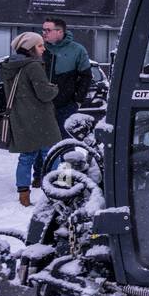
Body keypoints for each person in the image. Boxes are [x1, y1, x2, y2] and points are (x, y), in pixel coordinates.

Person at [0, 32, 62, 206]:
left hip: (20, 118)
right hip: (40, 119)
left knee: (26, 157)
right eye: (40, 45)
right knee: (52, 154)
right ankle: (54, 190)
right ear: (30, 48)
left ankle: (24, 195)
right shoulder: (33, 66)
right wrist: (54, 88)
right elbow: (44, 93)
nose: (43, 49)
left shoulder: (9, 66)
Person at [35, 16, 90, 183]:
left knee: (65, 142)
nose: (43, 33)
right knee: (39, 140)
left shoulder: (77, 50)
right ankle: (39, 175)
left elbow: (86, 77)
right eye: (43, 29)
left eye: (48, 30)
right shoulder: (38, 48)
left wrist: (78, 100)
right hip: (41, 104)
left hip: (66, 105)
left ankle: (64, 177)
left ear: (60, 31)